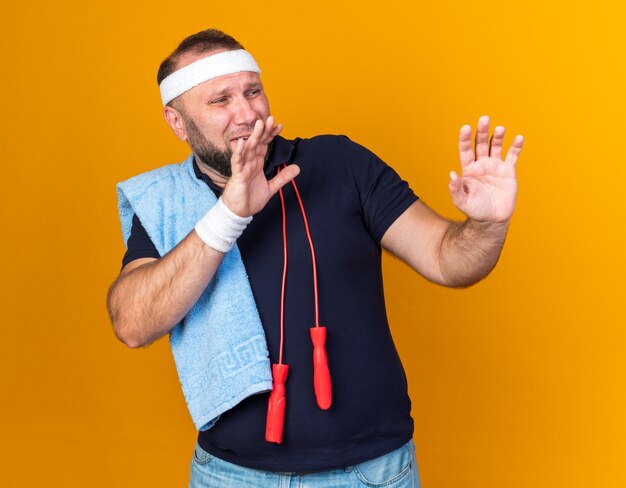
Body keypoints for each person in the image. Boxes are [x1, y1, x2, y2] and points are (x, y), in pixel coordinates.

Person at [106, 28, 523, 488]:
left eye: (253, 91)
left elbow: (448, 260)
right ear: (178, 123)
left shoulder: (341, 164)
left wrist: (488, 224)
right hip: (229, 477)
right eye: (220, 100)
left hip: (371, 473)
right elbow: (132, 323)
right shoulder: (165, 201)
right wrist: (228, 215)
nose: (246, 113)